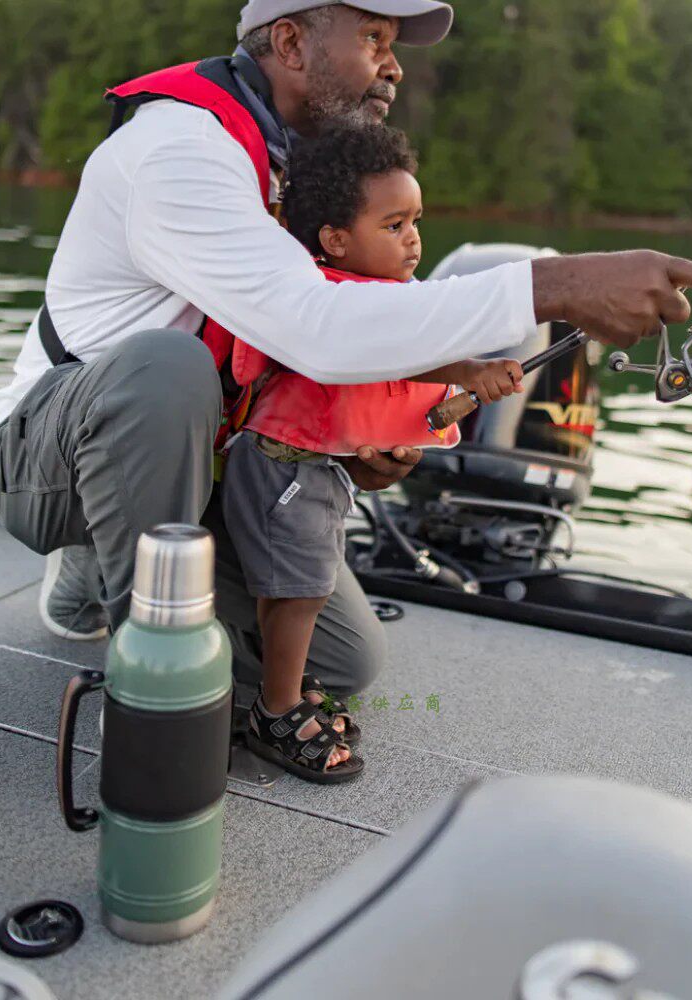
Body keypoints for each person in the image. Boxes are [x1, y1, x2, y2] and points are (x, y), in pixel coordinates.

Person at [0, 0, 692, 709]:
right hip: (47, 459)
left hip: (198, 460)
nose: (395, 65)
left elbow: (316, 349)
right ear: (290, 43)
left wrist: (353, 448)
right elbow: (314, 324)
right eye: (374, 38)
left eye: (393, 44)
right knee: (163, 370)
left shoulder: (305, 178)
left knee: (341, 661)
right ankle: (150, 683)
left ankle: (102, 569)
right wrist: (557, 283)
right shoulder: (180, 149)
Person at [224, 123, 522, 780]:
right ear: (335, 240)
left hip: (307, 470)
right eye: (393, 225)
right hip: (284, 467)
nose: (413, 237)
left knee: (293, 590)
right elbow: (393, 347)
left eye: (415, 220)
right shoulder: (329, 298)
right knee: (298, 592)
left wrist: (469, 382)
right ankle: (275, 712)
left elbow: (399, 365)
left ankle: (283, 689)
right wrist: (469, 369)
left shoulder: (373, 299)